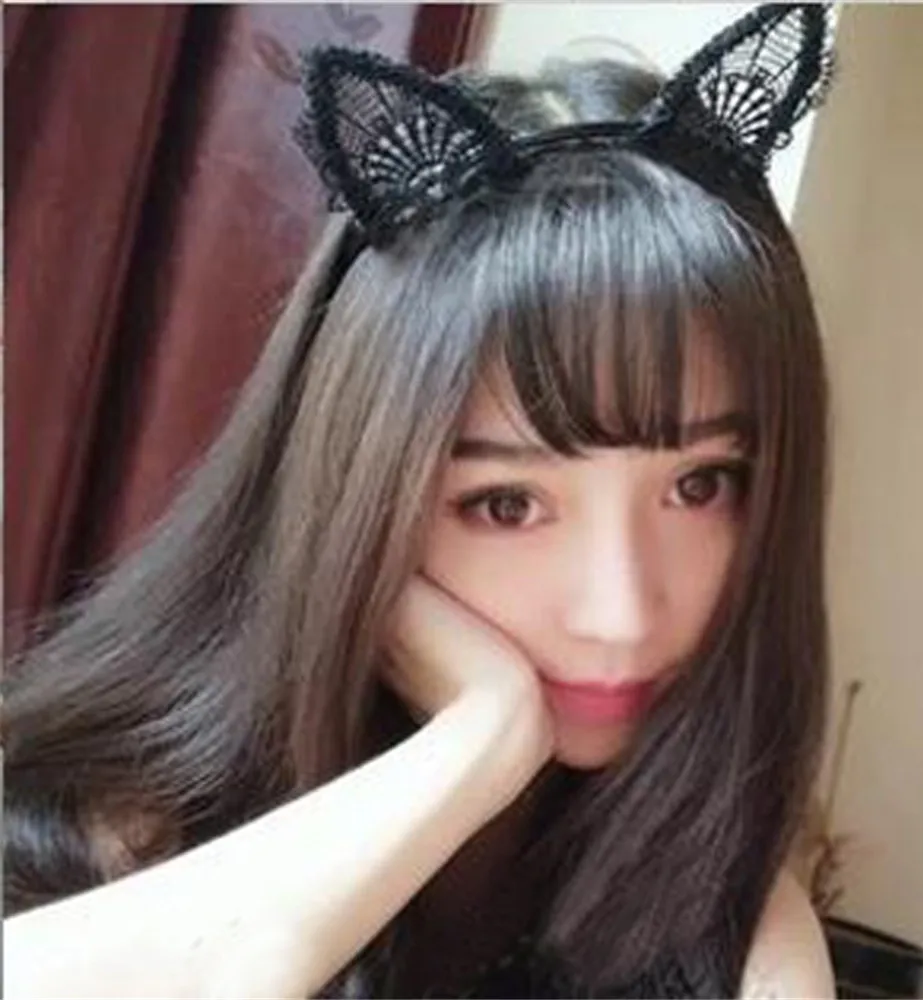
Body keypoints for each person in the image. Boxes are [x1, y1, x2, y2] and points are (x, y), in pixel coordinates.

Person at [3, 4, 838, 997]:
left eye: (699, 486)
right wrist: (479, 741)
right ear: (355, 496)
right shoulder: (102, 828)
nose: (620, 613)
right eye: (507, 504)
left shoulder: (730, 934)